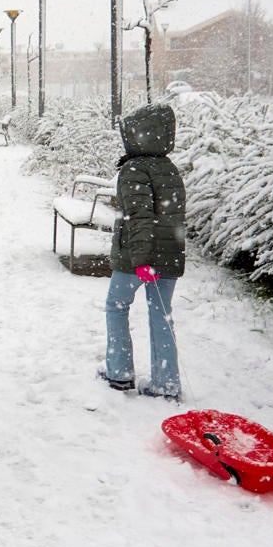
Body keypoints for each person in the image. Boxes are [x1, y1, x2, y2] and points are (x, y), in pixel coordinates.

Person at [101, 102, 186, 399]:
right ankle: (167, 382)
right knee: (161, 314)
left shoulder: (134, 169)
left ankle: (119, 372)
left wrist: (141, 260)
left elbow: (139, 218)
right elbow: (170, 216)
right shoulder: (169, 168)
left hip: (137, 259)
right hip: (170, 254)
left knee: (116, 306)